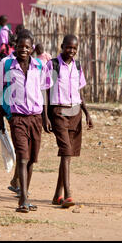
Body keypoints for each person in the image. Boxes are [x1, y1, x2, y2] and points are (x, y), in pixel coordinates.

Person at [0, 29, 51, 213]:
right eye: (20, 46)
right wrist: (3, 117)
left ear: (32, 48)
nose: (23, 50)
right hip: (17, 117)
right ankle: (23, 199)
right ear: (15, 46)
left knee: (32, 159)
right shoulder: (6, 64)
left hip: (35, 117)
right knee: (23, 156)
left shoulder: (39, 66)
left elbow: (42, 91)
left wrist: (45, 117)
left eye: (27, 47)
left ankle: (25, 193)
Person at [43, 34, 93, 208]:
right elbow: (46, 91)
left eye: (74, 48)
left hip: (75, 112)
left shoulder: (78, 66)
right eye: (68, 47)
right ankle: (68, 195)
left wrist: (87, 113)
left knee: (68, 154)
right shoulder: (53, 65)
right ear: (62, 46)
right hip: (58, 111)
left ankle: (57, 194)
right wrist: (46, 116)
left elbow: (80, 93)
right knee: (66, 150)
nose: (71, 51)